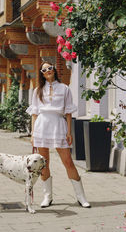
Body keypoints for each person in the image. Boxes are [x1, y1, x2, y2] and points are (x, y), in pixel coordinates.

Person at [26, 61, 91, 208]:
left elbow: (68, 112)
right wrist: (33, 134)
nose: (47, 71)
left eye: (50, 68)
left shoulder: (64, 88)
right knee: (44, 163)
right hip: (41, 126)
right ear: (42, 74)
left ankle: (81, 197)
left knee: (68, 161)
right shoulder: (37, 90)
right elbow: (34, 114)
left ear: (54, 70)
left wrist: (69, 132)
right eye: (44, 70)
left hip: (58, 126)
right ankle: (47, 197)